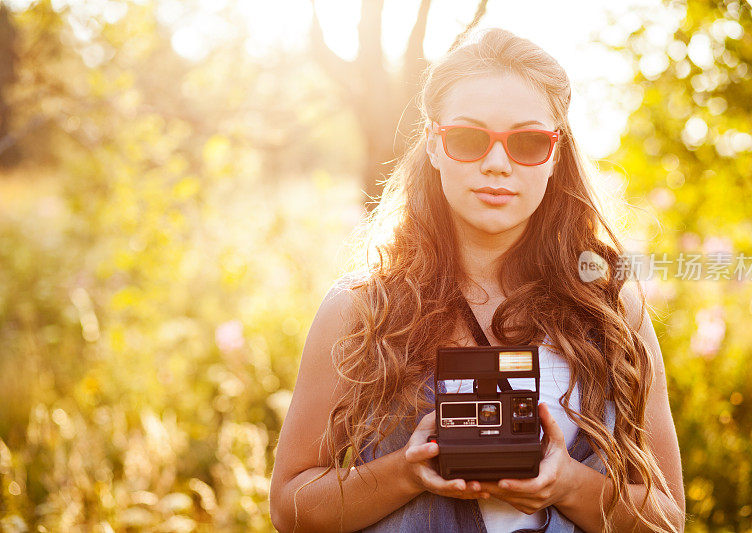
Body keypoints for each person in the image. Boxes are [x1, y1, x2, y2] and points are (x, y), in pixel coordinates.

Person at [269, 27, 685, 533]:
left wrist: (568, 485)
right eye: (468, 139)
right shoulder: (362, 307)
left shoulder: (611, 309)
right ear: (434, 145)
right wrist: (406, 472)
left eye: (528, 142)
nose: (496, 164)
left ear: (556, 154)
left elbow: (668, 519)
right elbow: (290, 509)